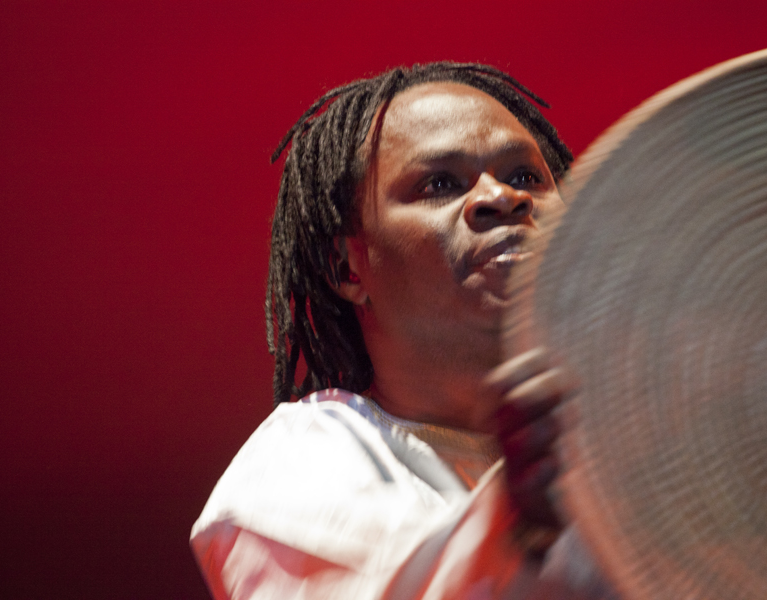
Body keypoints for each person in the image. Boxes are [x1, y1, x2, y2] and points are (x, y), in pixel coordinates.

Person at [191, 62, 617, 599]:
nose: (502, 197)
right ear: (346, 269)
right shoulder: (297, 463)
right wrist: (522, 526)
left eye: (525, 176)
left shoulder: (640, 428)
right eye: (440, 183)